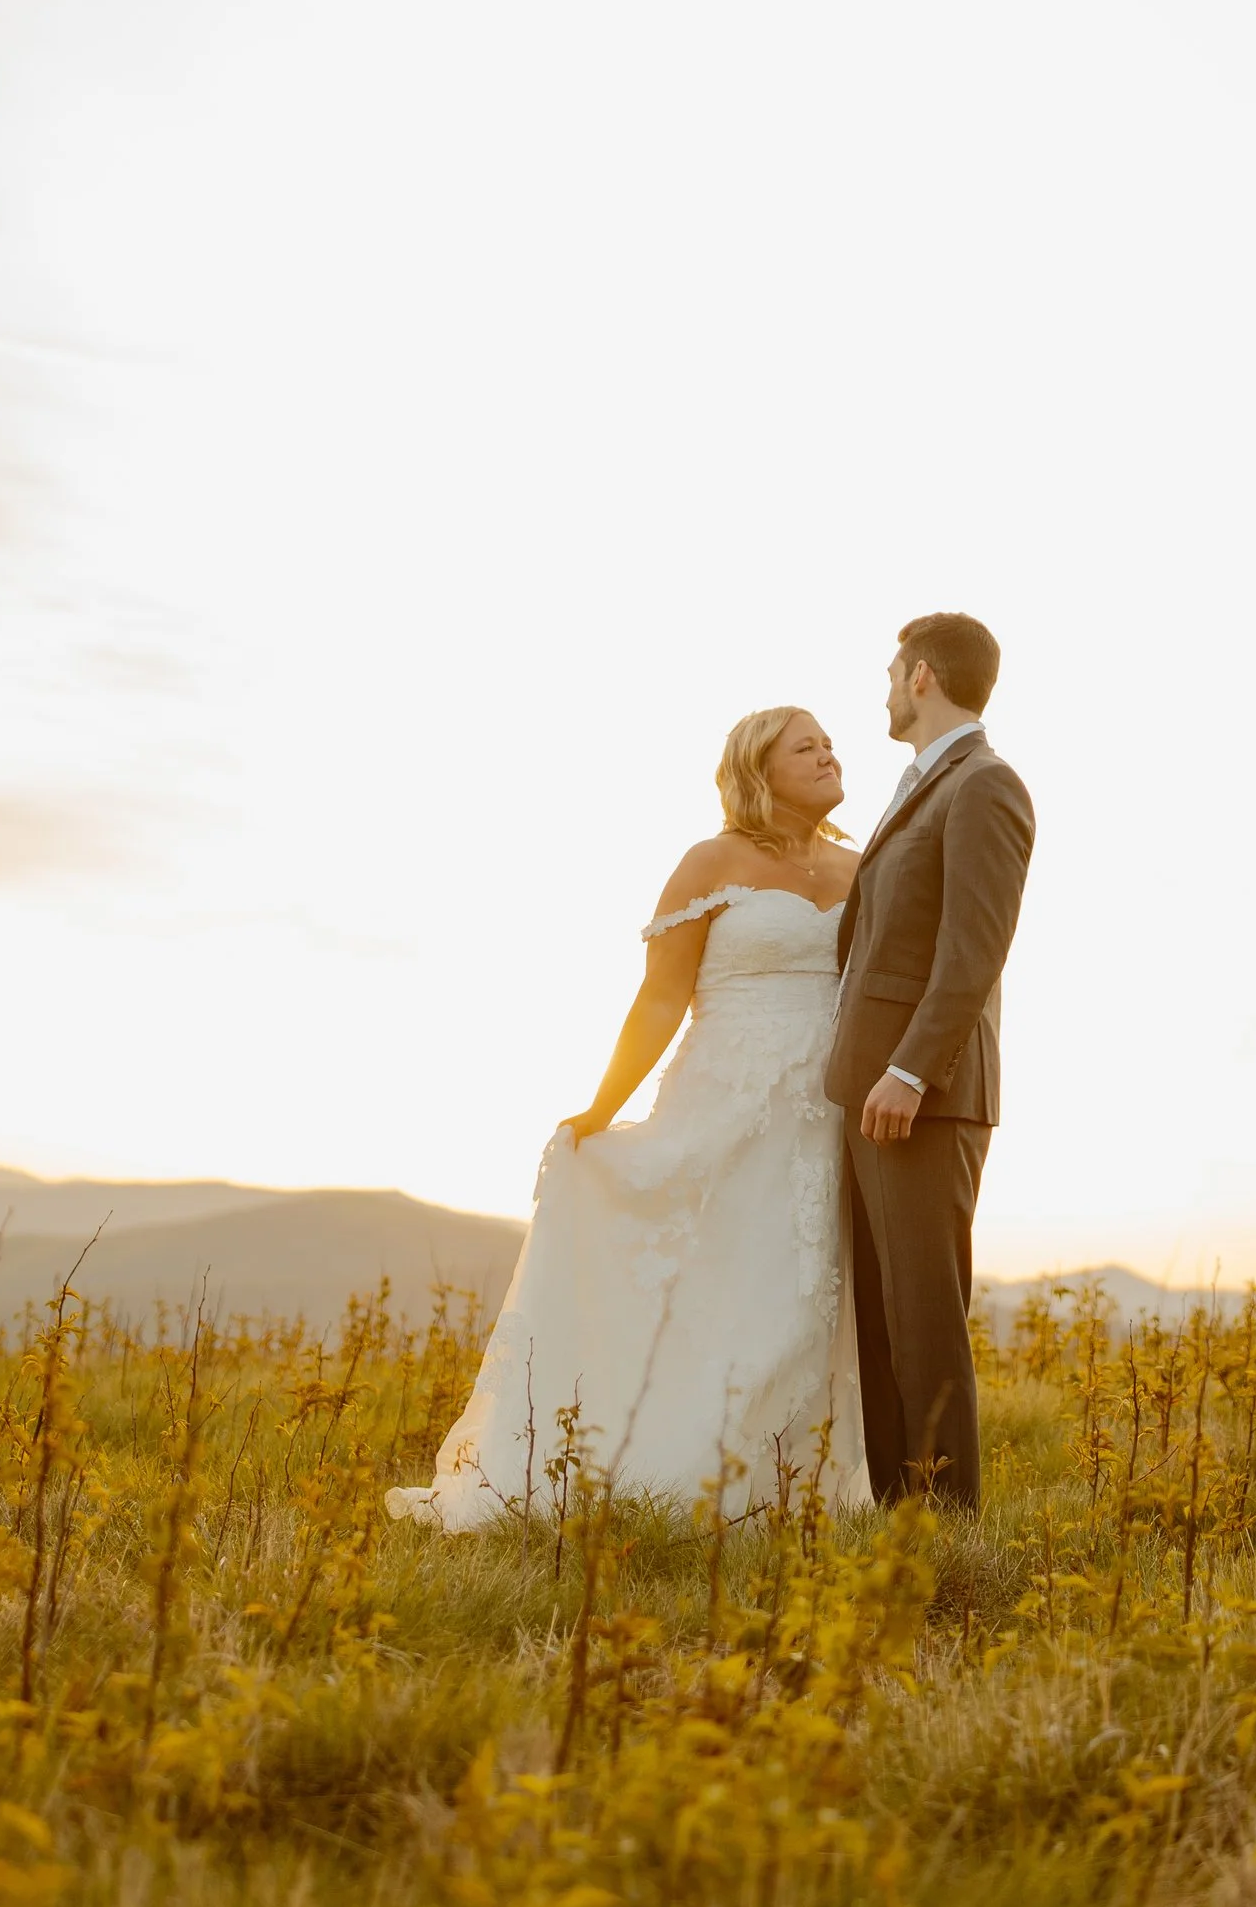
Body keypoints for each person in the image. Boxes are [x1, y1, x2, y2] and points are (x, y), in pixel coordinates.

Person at [385, 707, 870, 1528]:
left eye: (829, 743)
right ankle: (676, 1481)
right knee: (720, 1290)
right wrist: (602, 1109)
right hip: (726, 1106)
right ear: (758, 768)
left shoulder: (863, 866)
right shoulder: (711, 860)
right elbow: (660, 997)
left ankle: (779, 1491)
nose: (829, 755)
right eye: (806, 746)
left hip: (824, 1118)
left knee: (801, 1296)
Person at [826, 612, 1034, 1510]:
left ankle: (949, 1532)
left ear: (922, 676)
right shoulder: (925, 784)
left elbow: (973, 950)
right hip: (871, 1086)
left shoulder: (985, 785)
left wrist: (911, 1069)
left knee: (924, 1320)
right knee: (880, 1321)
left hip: (924, 1094)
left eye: (891, 673)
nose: (884, 691)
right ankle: (896, 1518)